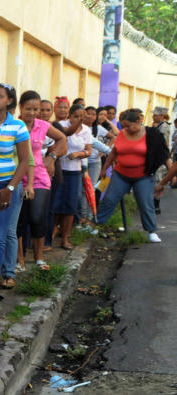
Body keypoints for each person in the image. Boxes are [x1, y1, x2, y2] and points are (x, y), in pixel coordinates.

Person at [0, 83, 30, 302]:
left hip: (5, 186)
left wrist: (10, 189)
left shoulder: (17, 126)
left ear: (9, 100)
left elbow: (25, 161)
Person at [101, 109, 169, 243]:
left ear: (138, 121)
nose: (125, 129)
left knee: (145, 202)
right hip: (121, 174)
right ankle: (96, 224)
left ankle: (151, 231)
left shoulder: (152, 134)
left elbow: (164, 155)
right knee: (109, 199)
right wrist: (104, 169)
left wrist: (171, 174)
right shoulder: (122, 134)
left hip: (143, 176)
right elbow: (114, 153)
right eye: (123, 126)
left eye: (128, 125)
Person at [16, 91, 66, 270]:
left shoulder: (43, 126)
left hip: (39, 178)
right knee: (18, 221)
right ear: (20, 107)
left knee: (37, 217)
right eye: (28, 108)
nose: (32, 112)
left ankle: (39, 259)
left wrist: (51, 157)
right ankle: (19, 260)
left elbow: (62, 138)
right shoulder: (14, 125)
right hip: (16, 177)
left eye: (35, 109)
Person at [53, 105, 93, 249]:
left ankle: (65, 238)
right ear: (69, 116)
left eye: (83, 116)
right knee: (55, 203)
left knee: (70, 205)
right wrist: (78, 122)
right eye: (76, 116)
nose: (80, 119)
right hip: (59, 169)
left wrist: (78, 154)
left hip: (74, 171)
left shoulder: (86, 130)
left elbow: (89, 151)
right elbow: (67, 133)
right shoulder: (61, 125)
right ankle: (51, 233)